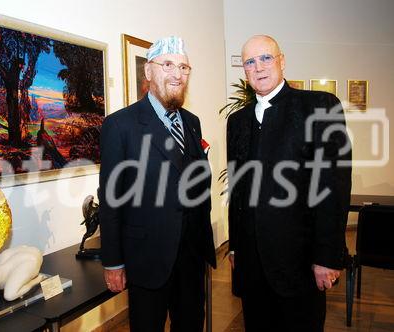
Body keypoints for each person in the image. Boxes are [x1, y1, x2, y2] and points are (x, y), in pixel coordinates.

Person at [226, 35, 351, 331]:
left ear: (282, 60)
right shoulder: (237, 121)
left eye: (266, 58)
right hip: (252, 267)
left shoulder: (320, 106)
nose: (259, 67)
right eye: (250, 62)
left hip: (301, 266)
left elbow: (333, 187)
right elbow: (238, 190)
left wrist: (327, 257)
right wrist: (235, 247)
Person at [99, 36, 216, 332]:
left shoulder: (191, 122)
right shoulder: (120, 125)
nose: (177, 74)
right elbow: (111, 198)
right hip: (147, 259)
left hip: (191, 258)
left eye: (184, 67)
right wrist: (113, 262)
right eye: (168, 65)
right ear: (148, 72)